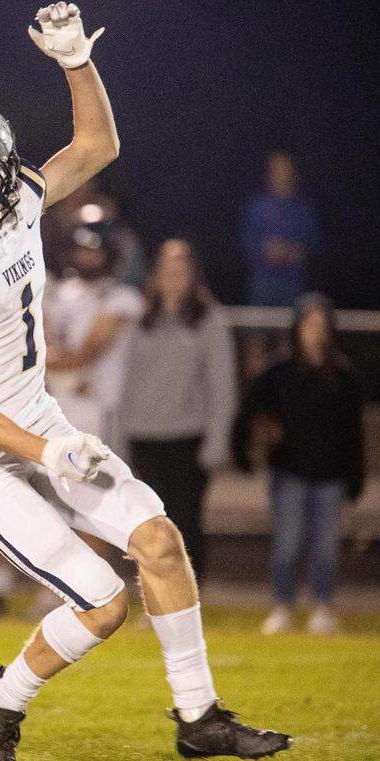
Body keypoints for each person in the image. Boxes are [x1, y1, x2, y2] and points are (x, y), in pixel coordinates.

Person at [0, 4, 290, 761]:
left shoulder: (21, 201)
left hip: (38, 420)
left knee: (159, 542)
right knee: (102, 602)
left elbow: (98, 146)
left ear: (2, 170)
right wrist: (51, 449)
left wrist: (75, 63)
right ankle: (0, 700)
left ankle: (199, 716)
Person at [233, 294, 364, 635]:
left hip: (330, 476)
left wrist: (355, 478)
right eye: (309, 324)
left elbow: (354, 431)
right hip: (289, 472)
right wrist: (258, 436)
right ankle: (282, 607)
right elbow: (249, 407)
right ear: (297, 328)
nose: (315, 332)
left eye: (321, 325)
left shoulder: (344, 375)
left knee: (326, 547)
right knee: (287, 544)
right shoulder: (280, 372)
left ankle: (323, 607)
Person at [121, 240, 236, 580]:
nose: (172, 279)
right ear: (155, 276)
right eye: (166, 271)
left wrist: (217, 441)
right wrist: (121, 436)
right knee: (149, 525)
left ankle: (189, 597)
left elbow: (222, 385)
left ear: (192, 276)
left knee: (185, 523)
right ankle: (156, 594)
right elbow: (127, 383)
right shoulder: (141, 321)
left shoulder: (208, 320)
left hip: (188, 439)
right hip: (144, 439)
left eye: (180, 272)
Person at [44, 217, 142, 450]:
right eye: (81, 250)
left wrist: (48, 360)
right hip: (57, 403)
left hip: (101, 404)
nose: (86, 257)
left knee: (102, 469)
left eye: (93, 251)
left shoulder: (123, 297)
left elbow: (86, 354)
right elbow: (40, 340)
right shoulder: (58, 293)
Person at [240, 151, 323, 308]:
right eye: (277, 169)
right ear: (269, 174)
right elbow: (246, 242)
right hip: (262, 282)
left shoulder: (304, 209)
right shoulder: (257, 207)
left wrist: (296, 251)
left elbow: (316, 244)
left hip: (293, 284)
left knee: (292, 322)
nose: (281, 174)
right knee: (259, 322)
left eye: (285, 169)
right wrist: (265, 249)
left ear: (293, 173)